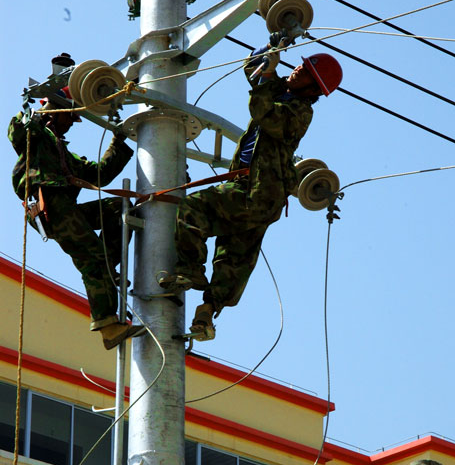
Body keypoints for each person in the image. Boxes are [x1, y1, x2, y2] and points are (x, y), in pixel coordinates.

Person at [159, 40, 343, 340]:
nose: (297, 69)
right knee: (233, 259)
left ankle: (190, 269)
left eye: (305, 71)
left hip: (261, 194)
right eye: (300, 64)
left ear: (314, 88)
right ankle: (206, 314)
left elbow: (263, 112)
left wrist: (269, 75)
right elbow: (255, 70)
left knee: (194, 207)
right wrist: (272, 46)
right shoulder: (281, 90)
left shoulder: (299, 111)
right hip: (251, 190)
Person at [8, 85, 145, 350]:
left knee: (123, 209)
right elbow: (18, 131)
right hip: (50, 205)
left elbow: (98, 176)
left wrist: (119, 140)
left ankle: (107, 268)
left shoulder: (62, 153)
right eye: (69, 116)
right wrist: (40, 110)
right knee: (90, 258)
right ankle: (107, 325)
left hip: (65, 207)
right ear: (56, 111)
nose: (72, 123)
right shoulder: (35, 137)